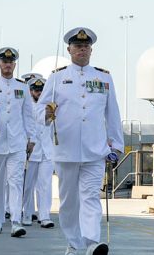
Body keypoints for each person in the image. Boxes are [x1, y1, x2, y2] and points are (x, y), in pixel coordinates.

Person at [39, 27, 123, 255]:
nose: (82, 49)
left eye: (85, 46)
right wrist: (46, 114)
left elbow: (112, 112)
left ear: (91, 50)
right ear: (69, 49)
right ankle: (74, 242)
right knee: (68, 203)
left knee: (91, 197)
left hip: (95, 150)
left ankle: (91, 243)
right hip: (65, 149)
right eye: (77, 46)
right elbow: (39, 110)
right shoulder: (57, 78)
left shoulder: (103, 77)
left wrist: (116, 144)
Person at [0, 47, 36, 237]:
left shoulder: (22, 86)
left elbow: (28, 115)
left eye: (11, 62)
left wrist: (31, 138)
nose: (8, 65)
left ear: (15, 64)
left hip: (17, 142)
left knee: (16, 182)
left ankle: (16, 221)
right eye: (4, 61)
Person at [21, 75, 55, 228]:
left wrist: (51, 113)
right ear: (30, 91)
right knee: (28, 185)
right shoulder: (26, 106)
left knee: (45, 185)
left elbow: (50, 125)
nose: (39, 93)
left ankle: (44, 215)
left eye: (41, 90)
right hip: (32, 150)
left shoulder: (49, 106)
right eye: (35, 90)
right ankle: (27, 213)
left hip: (47, 150)